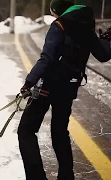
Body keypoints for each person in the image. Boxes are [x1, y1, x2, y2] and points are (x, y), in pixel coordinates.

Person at [17, 0, 111, 180]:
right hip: (69, 87)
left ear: (56, 10)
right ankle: (66, 176)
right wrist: (106, 41)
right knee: (59, 131)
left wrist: (29, 82)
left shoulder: (59, 25)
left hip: (48, 86)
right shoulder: (85, 26)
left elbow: (47, 58)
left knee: (26, 131)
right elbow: (103, 55)